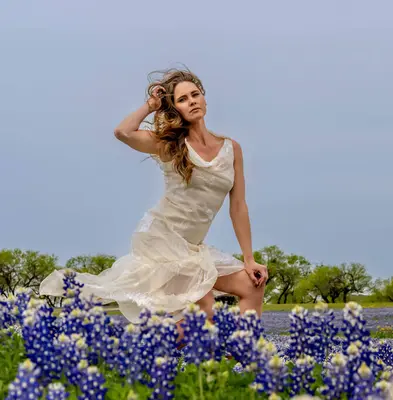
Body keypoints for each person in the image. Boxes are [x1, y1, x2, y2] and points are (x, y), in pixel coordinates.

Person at [39, 68, 268, 344]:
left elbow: (238, 206)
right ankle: (131, 352)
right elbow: (122, 132)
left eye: (195, 95)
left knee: (251, 284)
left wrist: (249, 258)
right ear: (176, 109)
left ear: (205, 100)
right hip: (165, 240)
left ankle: (241, 361)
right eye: (183, 99)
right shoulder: (170, 146)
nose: (192, 101)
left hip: (194, 248)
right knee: (203, 313)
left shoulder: (232, 149)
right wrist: (151, 105)